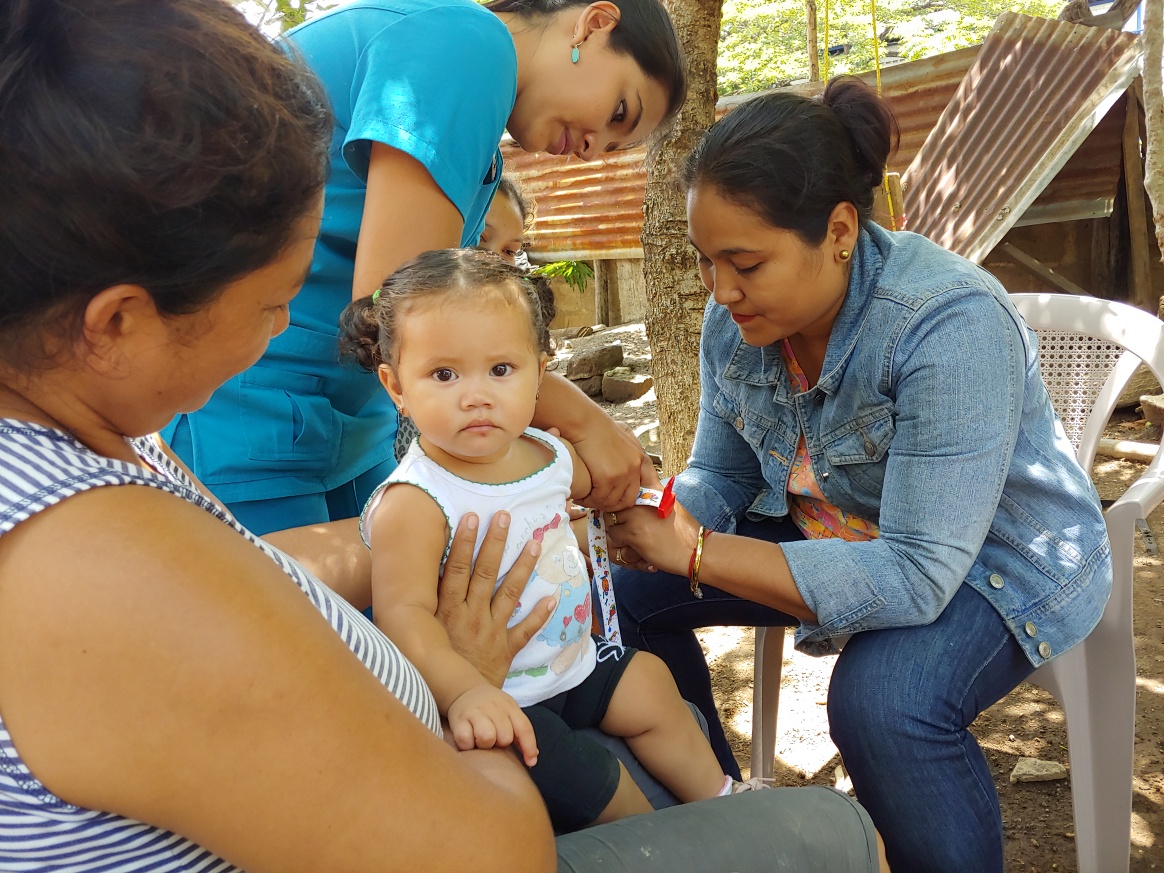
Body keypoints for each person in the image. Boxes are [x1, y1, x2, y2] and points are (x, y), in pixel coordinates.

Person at [0, 2, 892, 870]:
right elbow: (488, 851)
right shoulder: (94, 571)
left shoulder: (107, 459)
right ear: (117, 323)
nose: (285, 331)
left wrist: (432, 539)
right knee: (834, 835)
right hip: (470, 799)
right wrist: (459, 673)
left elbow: (263, 576)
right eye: (276, 302)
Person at [606, 77, 1112, 873]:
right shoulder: (733, 321)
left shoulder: (948, 321)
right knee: (621, 594)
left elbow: (918, 573)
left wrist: (695, 552)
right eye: (706, 263)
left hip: (993, 556)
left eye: (744, 262)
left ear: (839, 230)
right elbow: (721, 473)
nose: (721, 290)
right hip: (830, 518)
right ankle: (728, 825)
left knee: (884, 702)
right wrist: (652, 513)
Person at [161, 0, 684, 536]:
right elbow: (394, 315)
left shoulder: (477, 105)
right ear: (595, 23)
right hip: (249, 419)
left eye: (616, 146)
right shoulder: (465, 41)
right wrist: (584, 421)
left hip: (340, 426)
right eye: (620, 111)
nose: (594, 152)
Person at [340, 249, 760, 833]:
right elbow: (403, 616)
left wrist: (643, 501)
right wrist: (465, 695)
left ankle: (721, 799)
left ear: (541, 372)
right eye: (443, 374)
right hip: (502, 696)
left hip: (575, 663)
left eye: (501, 370)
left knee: (650, 682)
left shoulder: (547, 454)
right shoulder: (413, 502)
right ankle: (658, 845)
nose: (476, 395)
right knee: (599, 783)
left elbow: (602, 492)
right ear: (395, 386)